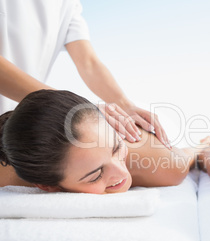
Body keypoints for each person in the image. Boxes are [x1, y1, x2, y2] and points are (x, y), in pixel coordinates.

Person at [0, 0, 170, 148]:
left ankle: (194, 152)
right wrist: (77, 108)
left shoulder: (67, 4)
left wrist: (124, 105)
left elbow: (88, 63)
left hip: (15, 121)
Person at [0, 90, 197, 194]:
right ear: (46, 186)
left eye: (116, 149)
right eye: (95, 176)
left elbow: (185, 157)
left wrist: (201, 148)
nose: (122, 173)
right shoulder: (16, 173)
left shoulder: (162, 166)